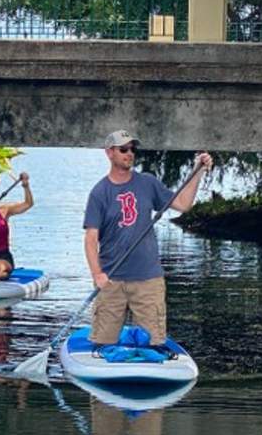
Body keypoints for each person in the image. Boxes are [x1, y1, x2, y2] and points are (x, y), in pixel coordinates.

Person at [83, 131, 211, 349]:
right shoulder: (99, 192)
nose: (130, 153)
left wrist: (197, 171)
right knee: (102, 344)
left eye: (133, 149)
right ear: (110, 153)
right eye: (124, 149)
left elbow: (183, 204)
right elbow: (90, 239)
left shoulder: (147, 183)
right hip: (112, 280)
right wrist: (97, 274)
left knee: (153, 344)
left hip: (148, 280)